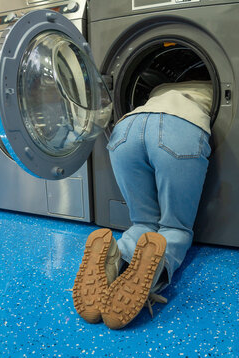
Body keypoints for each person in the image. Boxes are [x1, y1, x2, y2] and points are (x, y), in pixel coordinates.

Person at [72, 80, 213, 330]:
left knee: (143, 223)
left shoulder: (161, 85)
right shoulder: (209, 85)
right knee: (174, 228)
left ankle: (115, 258)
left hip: (126, 128)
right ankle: (152, 275)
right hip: (180, 126)